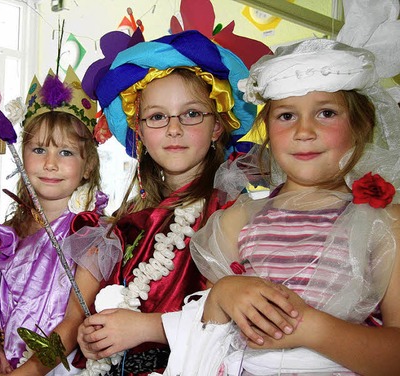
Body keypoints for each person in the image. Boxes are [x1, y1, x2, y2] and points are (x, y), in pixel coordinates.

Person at [165, 9, 400, 375]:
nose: (303, 131)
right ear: (267, 130)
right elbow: (206, 337)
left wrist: (309, 327)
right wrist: (223, 292)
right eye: (286, 115)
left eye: (325, 113)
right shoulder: (238, 219)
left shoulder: (386, 222)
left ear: (361, 125)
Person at [74, 30, 260, 375]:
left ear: (218, 125)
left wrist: (146, 328)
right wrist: (93, 338)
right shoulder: (127, 221)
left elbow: (243, 323)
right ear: (140, 130)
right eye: (158, 117)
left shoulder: (234, 215)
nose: (174, 129)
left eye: (191, 114)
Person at [0, 67, 112, 375]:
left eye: (65, 152)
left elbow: (73, 321)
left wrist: (32, 370)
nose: (50, 163)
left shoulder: (94, 235)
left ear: (89, 165)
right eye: (39, 149)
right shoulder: (5, 235)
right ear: (22, 155)